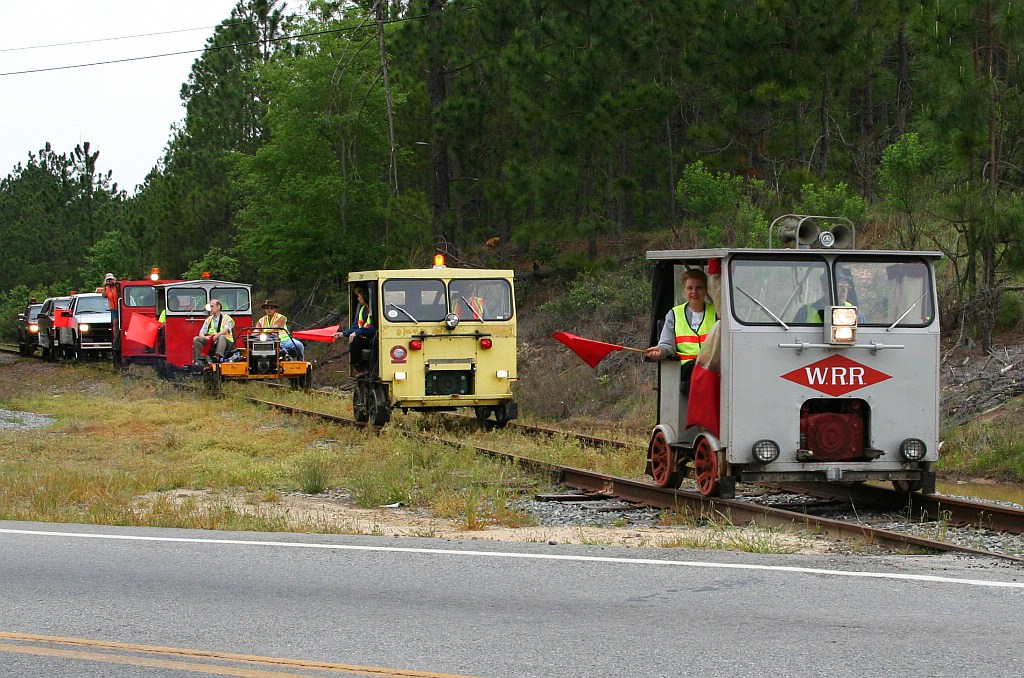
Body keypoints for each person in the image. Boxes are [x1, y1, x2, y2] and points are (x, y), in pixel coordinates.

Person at [645, 269, 718, 395]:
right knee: (694, 368)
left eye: (698, 288)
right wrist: (660, 351)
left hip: (711, 367)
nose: (694, 292)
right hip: (686, 368)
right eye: (690, 288)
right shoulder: (674, 314)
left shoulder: (717, 313)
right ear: (684, 290)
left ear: (706, 290)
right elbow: (666, 345)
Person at [334, 285, 374, 376]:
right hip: (364, 338)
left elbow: (373, 329)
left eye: (359, 296)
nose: (358, 298)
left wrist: (358, 332)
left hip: (373, 338)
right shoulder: (363, 310)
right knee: (354, 341)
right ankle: (358, 367)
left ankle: (368, 368)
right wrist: (343, 334)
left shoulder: (375, 311)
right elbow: (355, 327)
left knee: (365, 341)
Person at [193, 299, 234, 364]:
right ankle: (204, 362)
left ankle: (217, 356)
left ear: (218, 307)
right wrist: (204, 338)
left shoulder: (227, 318)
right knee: (196, 339)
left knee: (222, 337)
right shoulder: (208, 320)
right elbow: (201, 333)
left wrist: (216, 336)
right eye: (210, 307)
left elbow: (226, 330)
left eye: (212, 306)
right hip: (212, 343)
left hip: (227, 345)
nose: (210, 309)